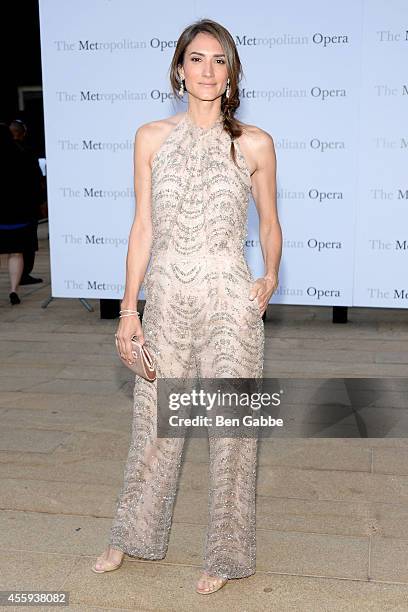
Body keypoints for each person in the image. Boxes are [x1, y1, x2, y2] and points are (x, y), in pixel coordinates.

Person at [91, 18, 282, 595]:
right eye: (196, 59)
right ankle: (133, 534)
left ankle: (227, 554)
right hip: (167, 297)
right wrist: (129, 310)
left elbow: (270, 224)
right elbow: (142, 227)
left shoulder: (254, 143)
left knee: (232, 430)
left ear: (231, 74)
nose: (207, 70)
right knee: (153, 424)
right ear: (179, 69)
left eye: (219, 61)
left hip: (230, 298)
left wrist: (269, 275)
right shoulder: (150, 137)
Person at [0, 124, 41, 304]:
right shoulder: (25, 153)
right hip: (20, 211)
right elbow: (35, 181)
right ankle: (13, 289)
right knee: (16, 253)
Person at [9, 119, 43, 285]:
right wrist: (41, 200)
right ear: (23, 133)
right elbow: (35, 179)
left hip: (8, 205)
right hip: (26, 204)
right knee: (28, 241)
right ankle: (24, 273)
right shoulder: (27, 153)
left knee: (14, 245)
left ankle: (17, 274)